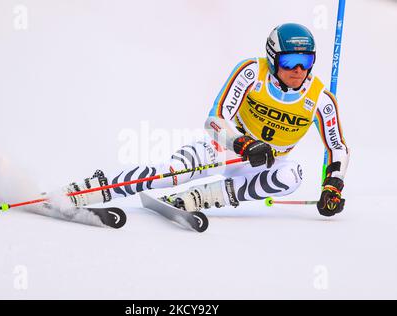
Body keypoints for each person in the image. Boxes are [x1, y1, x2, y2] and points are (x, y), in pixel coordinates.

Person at [60, 23, 349, 217]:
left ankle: (197, 199)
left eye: (306, 61)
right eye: (289, 62)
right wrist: (243, 143)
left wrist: (332, 185)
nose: (298, 70)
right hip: (227, 150)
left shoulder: (321, 98)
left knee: (292, 175)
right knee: (171, 173)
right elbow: (214, 119)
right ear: (273, 58)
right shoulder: (252, 72)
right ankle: (89, 191)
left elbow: (337, 149)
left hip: (263, 164)